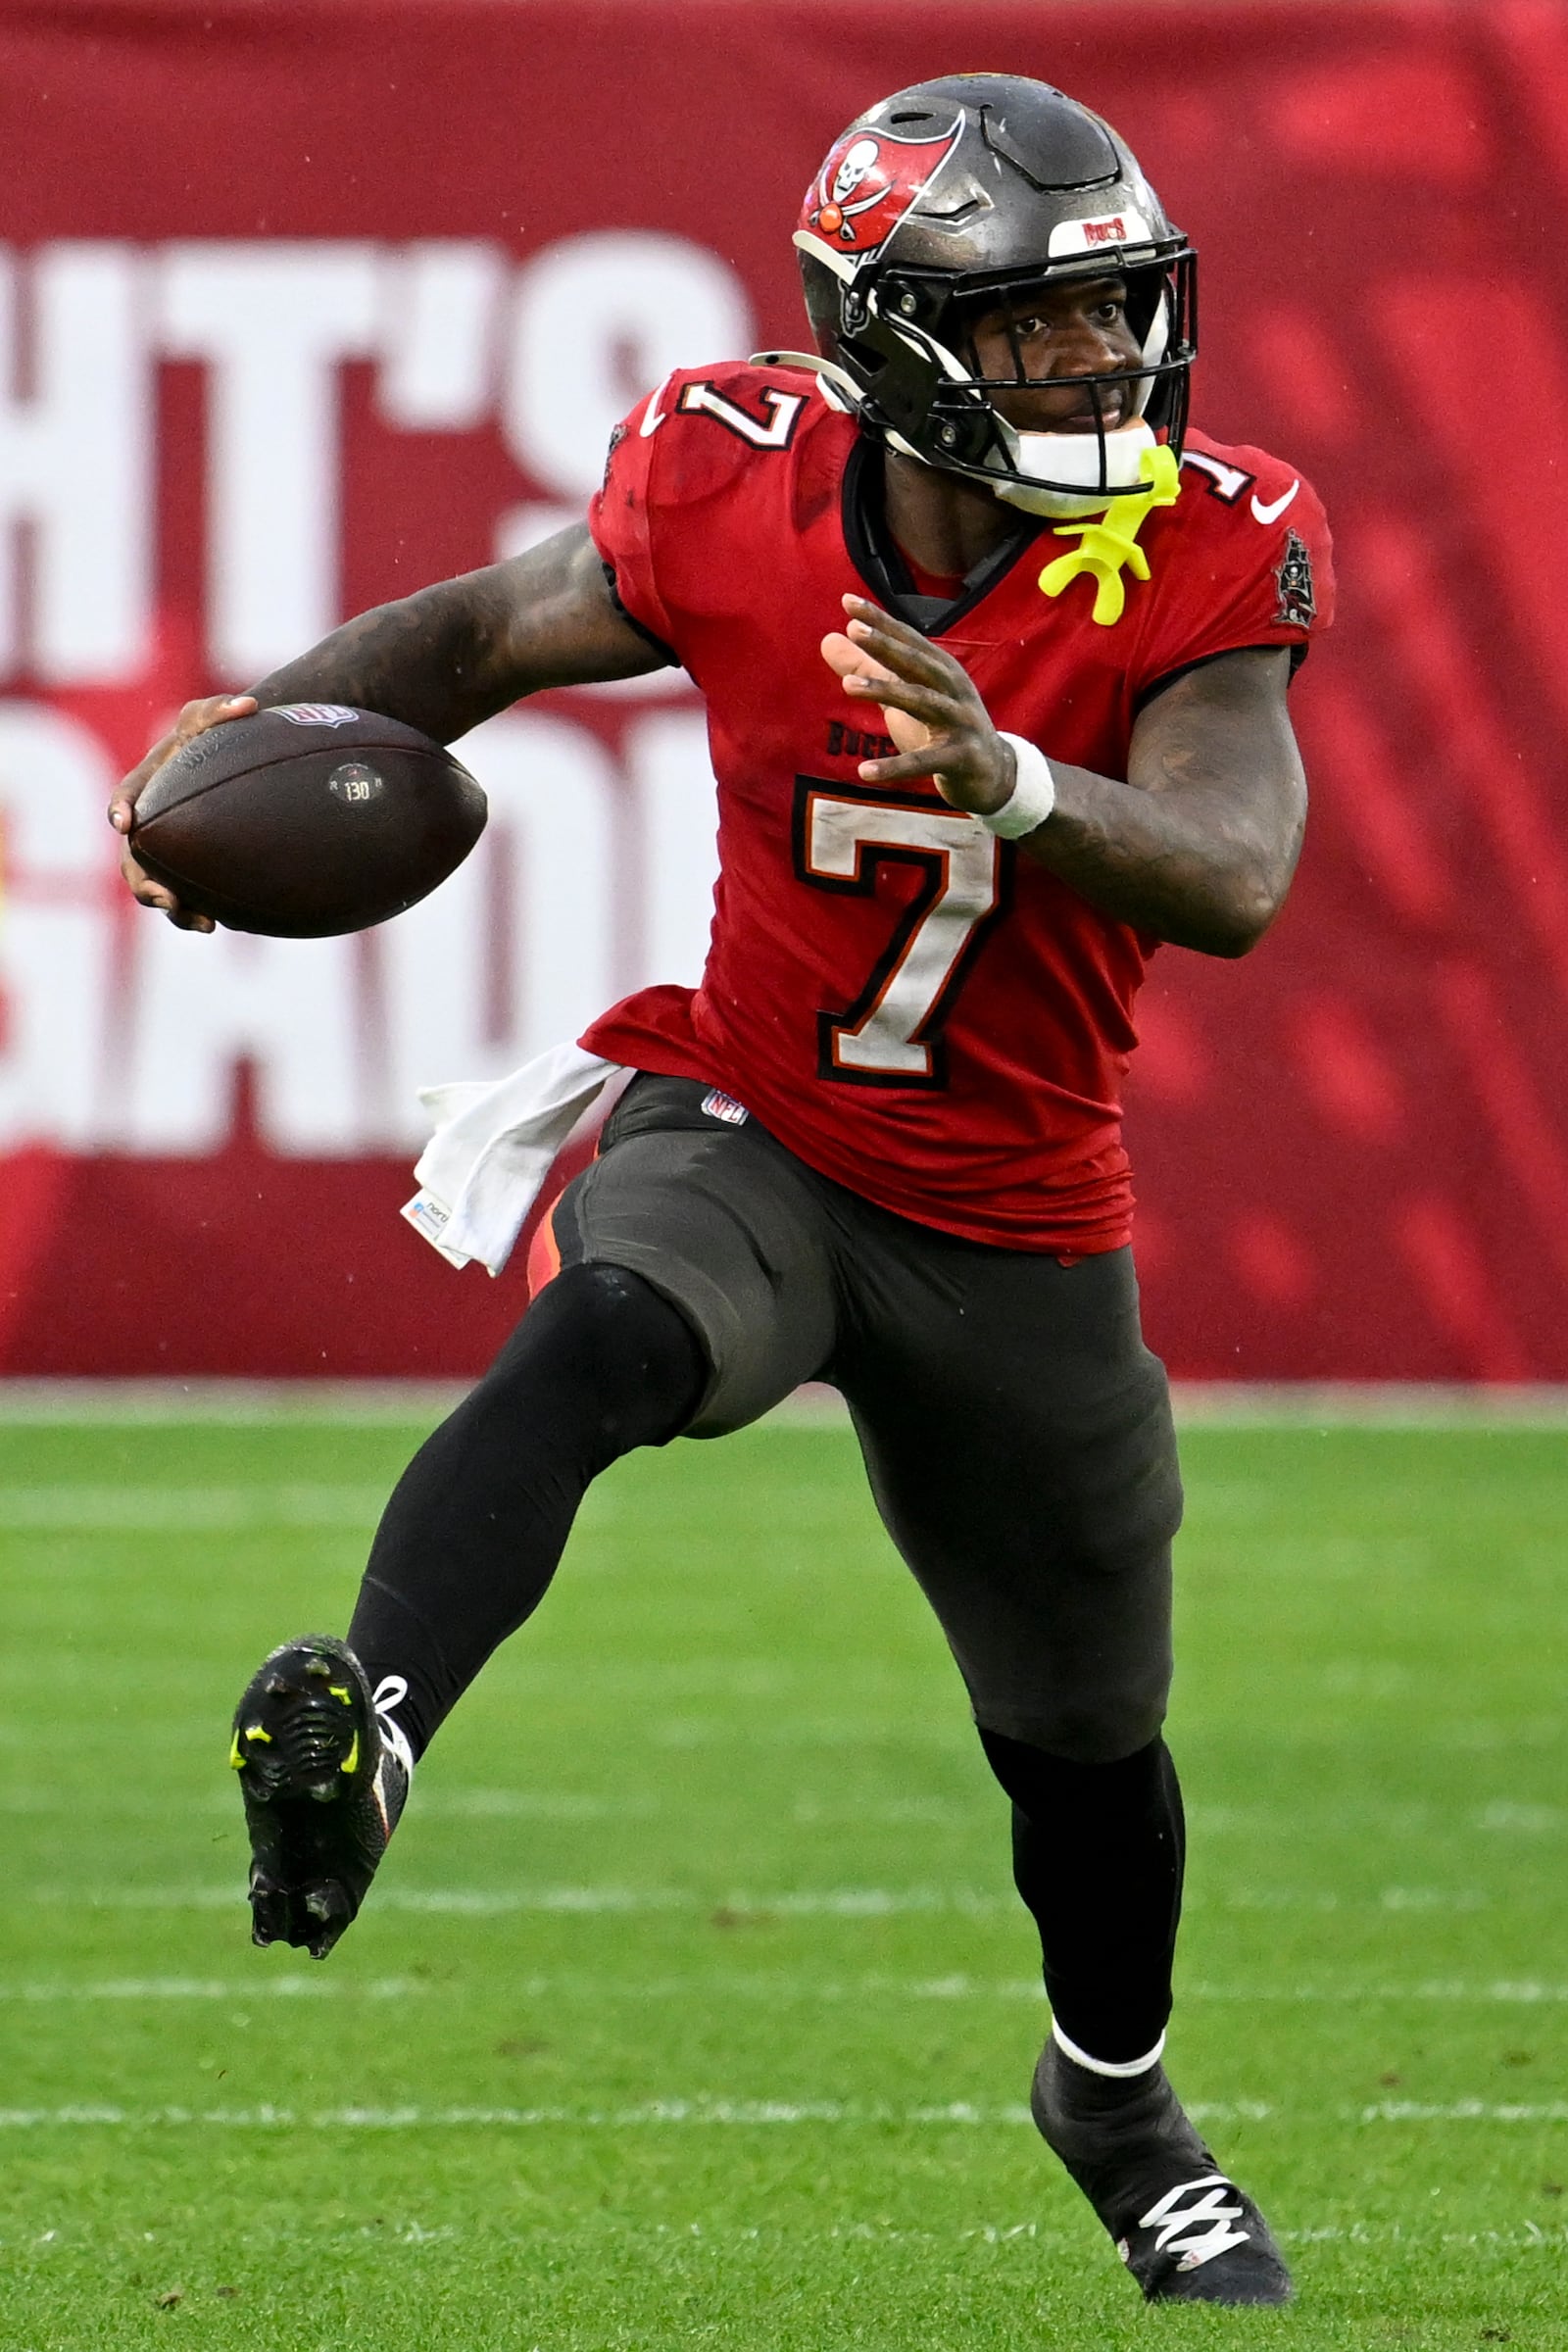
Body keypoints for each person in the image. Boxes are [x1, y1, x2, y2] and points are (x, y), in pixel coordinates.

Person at [113, 74, 1331, 2306]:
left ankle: (1115, 2102)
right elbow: (480, 637)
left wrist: (1023, 781)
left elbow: (1238, 868)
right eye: (1044, 325)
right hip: (759, 1125)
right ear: (892, 338)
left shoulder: (1201, 537)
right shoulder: (737, 478)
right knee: (609, 1331)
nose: (1107, 363)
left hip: (1018, 1218)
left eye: (1115, 313)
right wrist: (231, 756)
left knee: (1084, 1747)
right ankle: (371, 1726)